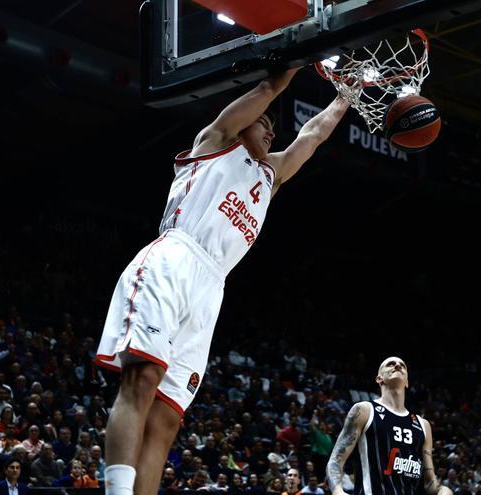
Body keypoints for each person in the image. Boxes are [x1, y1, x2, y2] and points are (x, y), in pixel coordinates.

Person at [93, 65, 351, 495]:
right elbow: (270, 86)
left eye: (273, 128)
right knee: (141, 379)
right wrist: (297, 58)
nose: (271, 131)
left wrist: (345, 95)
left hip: (213, 286)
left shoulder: (270, 177)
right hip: (175, 258)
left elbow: (313, 135)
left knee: (169, 417)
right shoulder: (213, 141)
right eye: (264, 122)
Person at [327, 357, 452, 495]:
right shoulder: (364, 411)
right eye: (391, 364)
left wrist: (442, 490)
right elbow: (335, 461)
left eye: (402, 365)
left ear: (407, 382)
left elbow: (429, 483)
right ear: (379, 379)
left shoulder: (423, 425)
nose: (398, 365)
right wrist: (338, 491)